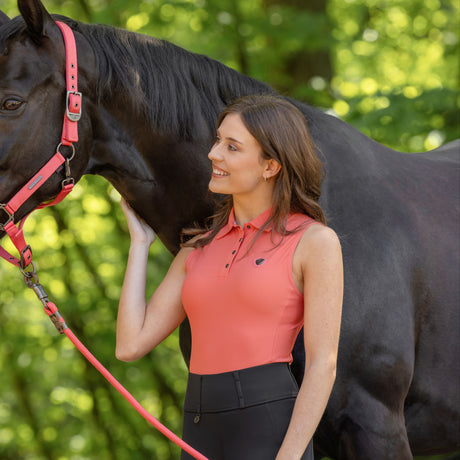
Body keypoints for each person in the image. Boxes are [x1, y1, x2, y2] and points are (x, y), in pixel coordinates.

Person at [116, 95, 343, 460]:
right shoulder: (198, 248)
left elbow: (323, 364)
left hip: (268, 424)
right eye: (218, 140)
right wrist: (139, 244)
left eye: (231, 147)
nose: (213, 154)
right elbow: (129, 345)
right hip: (198, 422)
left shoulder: (314, 241)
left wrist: (291, 455)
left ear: (270, 165)